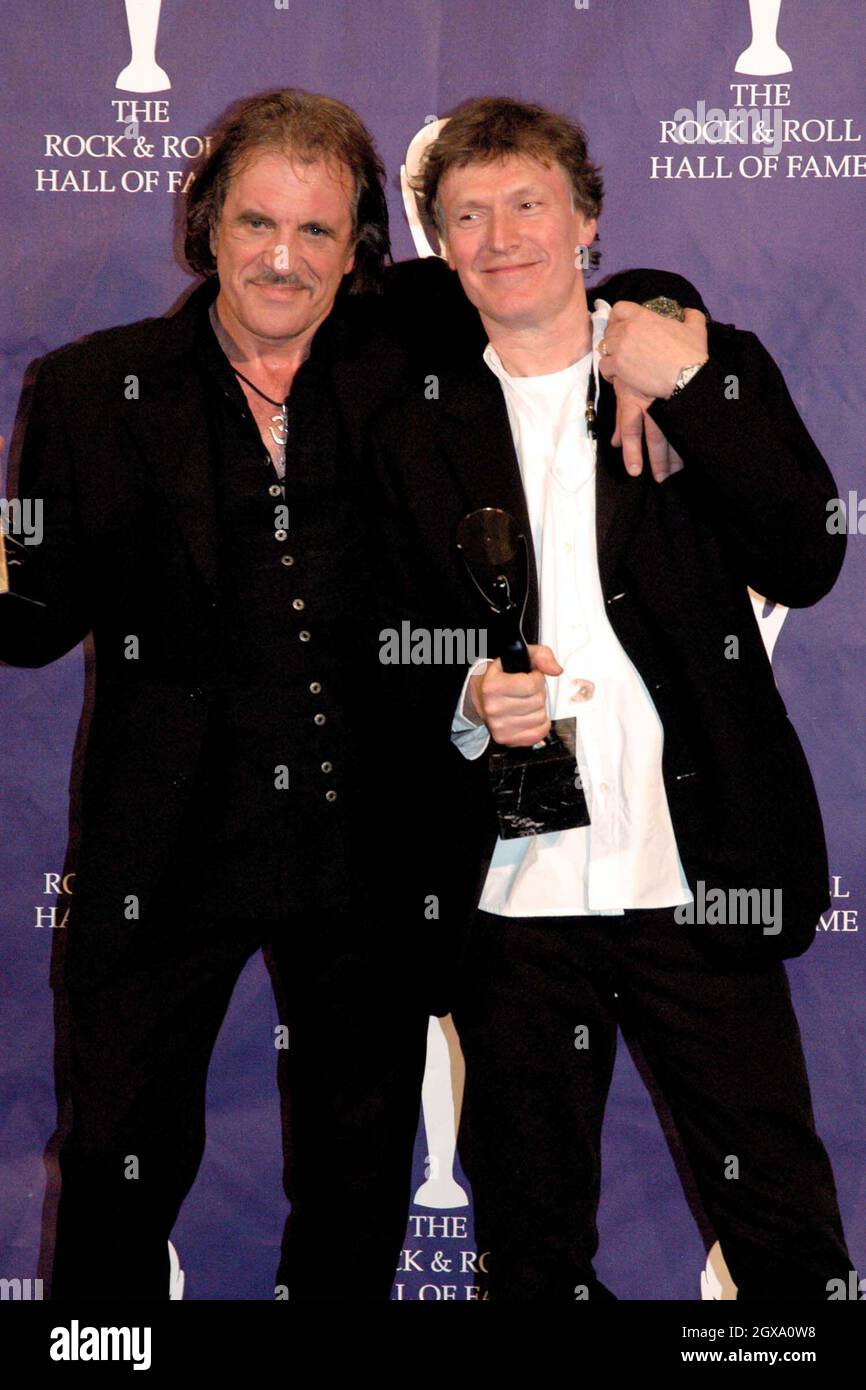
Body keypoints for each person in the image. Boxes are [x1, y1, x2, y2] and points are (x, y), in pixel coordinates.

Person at [1, 85, 696, 1302]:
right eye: (255, 224)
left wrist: (656, 325)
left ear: (357, 248)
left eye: (317, 232)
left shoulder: (405, 341)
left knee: (357, 1174)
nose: (282, 257)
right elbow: (35, 621)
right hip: (163, 848)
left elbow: (549, 272)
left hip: (366, 855)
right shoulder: (89, 392)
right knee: (118, 1156)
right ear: (206, 226)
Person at [366, 96, 854, 1301]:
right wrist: (468, 691)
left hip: (697, 873)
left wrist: (683, 378)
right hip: (511, 896)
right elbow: (381, 640)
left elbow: (806, 553)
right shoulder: (412, 421)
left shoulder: (700, 362)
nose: (498, 236)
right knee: (532, 1245)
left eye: (526, 202)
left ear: (585, 217)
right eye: (465, 215)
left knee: (782, 1226)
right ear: (438, 246)